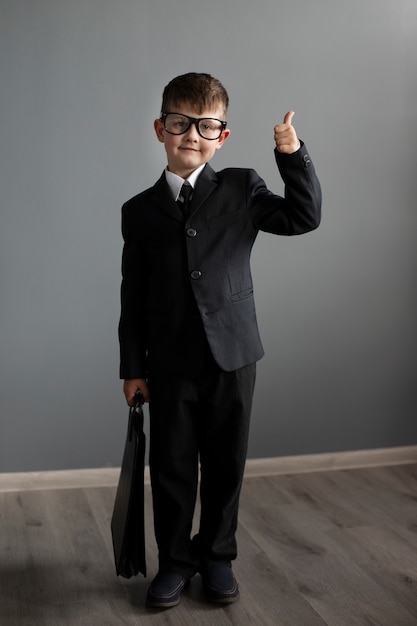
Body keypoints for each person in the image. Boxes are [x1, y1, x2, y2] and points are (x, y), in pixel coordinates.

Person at [118, 72, 321, 609]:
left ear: (222, 136)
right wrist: (131, 368)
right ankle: (176, 563)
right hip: (169, 360)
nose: (193, 134)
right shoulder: (138, 211)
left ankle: (217, 558)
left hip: (234, 353)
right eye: (181, 123)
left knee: (227, 462)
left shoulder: (241, 186)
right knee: (172, 464)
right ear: (161, 128)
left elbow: (303, 217)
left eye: (207, 126)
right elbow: (132, 296)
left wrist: (292, 155)